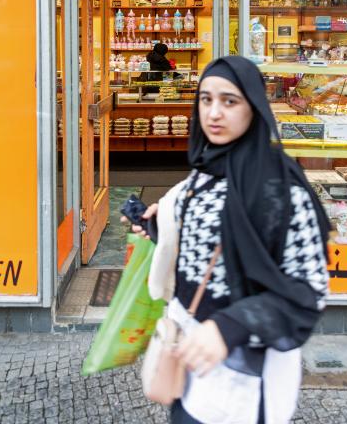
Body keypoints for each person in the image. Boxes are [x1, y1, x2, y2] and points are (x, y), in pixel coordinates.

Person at [125, 56, 330, 424]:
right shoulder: (204, 171)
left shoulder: (279, 189)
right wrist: (161, 231)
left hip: (245, 379)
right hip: (188, 365)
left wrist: (229, 326)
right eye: (205, 99)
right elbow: (209, 247)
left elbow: (308, 291)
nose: (214, 113)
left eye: (229, 101)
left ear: (253, 106)